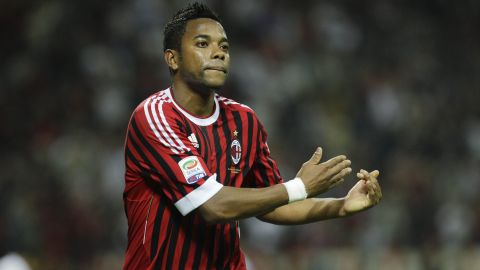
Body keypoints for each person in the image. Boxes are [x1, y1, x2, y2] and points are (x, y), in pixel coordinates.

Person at [122, 2, 382, 269]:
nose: (218, 53)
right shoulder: (155, 116)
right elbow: (212, 206)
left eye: (224, 47)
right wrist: (299, 187)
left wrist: (340, 206)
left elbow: (272, 203)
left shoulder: (244, 120)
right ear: (172, 58)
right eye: (203, 44)